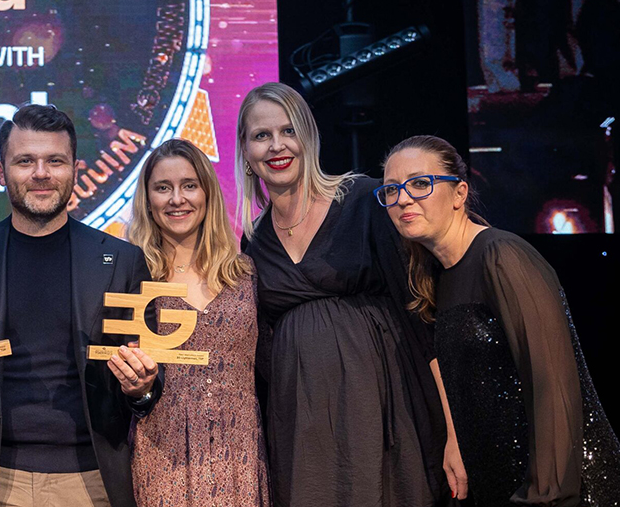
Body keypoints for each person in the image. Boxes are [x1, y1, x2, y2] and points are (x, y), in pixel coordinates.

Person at [0, 104, 161, 507]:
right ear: (2, 172)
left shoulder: (122, 261)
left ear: (76, 168)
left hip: (90, 482)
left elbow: (150, 389)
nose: (41, 173)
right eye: (25, 161)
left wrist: (140, 389)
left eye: (55, 160)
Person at [234, 83, 451, 506]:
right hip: (301, 425)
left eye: (288, 131)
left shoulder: (363, 202)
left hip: (384, 412)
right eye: (261, 135)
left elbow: (423, 320)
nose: (276, 146)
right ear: (245, 150)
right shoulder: (253, 242)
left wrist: (453, 431)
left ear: (308, 137)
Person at [379, 134, 620, 506]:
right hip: (501, 483)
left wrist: (545, 496)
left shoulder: (502, 256)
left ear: (459, 193)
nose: (403, 198)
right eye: (391, 190)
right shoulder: (438, 277)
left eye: (419, 183)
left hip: (559, 490)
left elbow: (552, 384)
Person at [126, 139, 268, 506]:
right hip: (162, 452)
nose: (177, 199)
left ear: (207, 193)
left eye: (189, 185)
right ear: (148, 199)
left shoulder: (246, 273)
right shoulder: (132, 279)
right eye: (163, 188)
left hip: (240, 454)